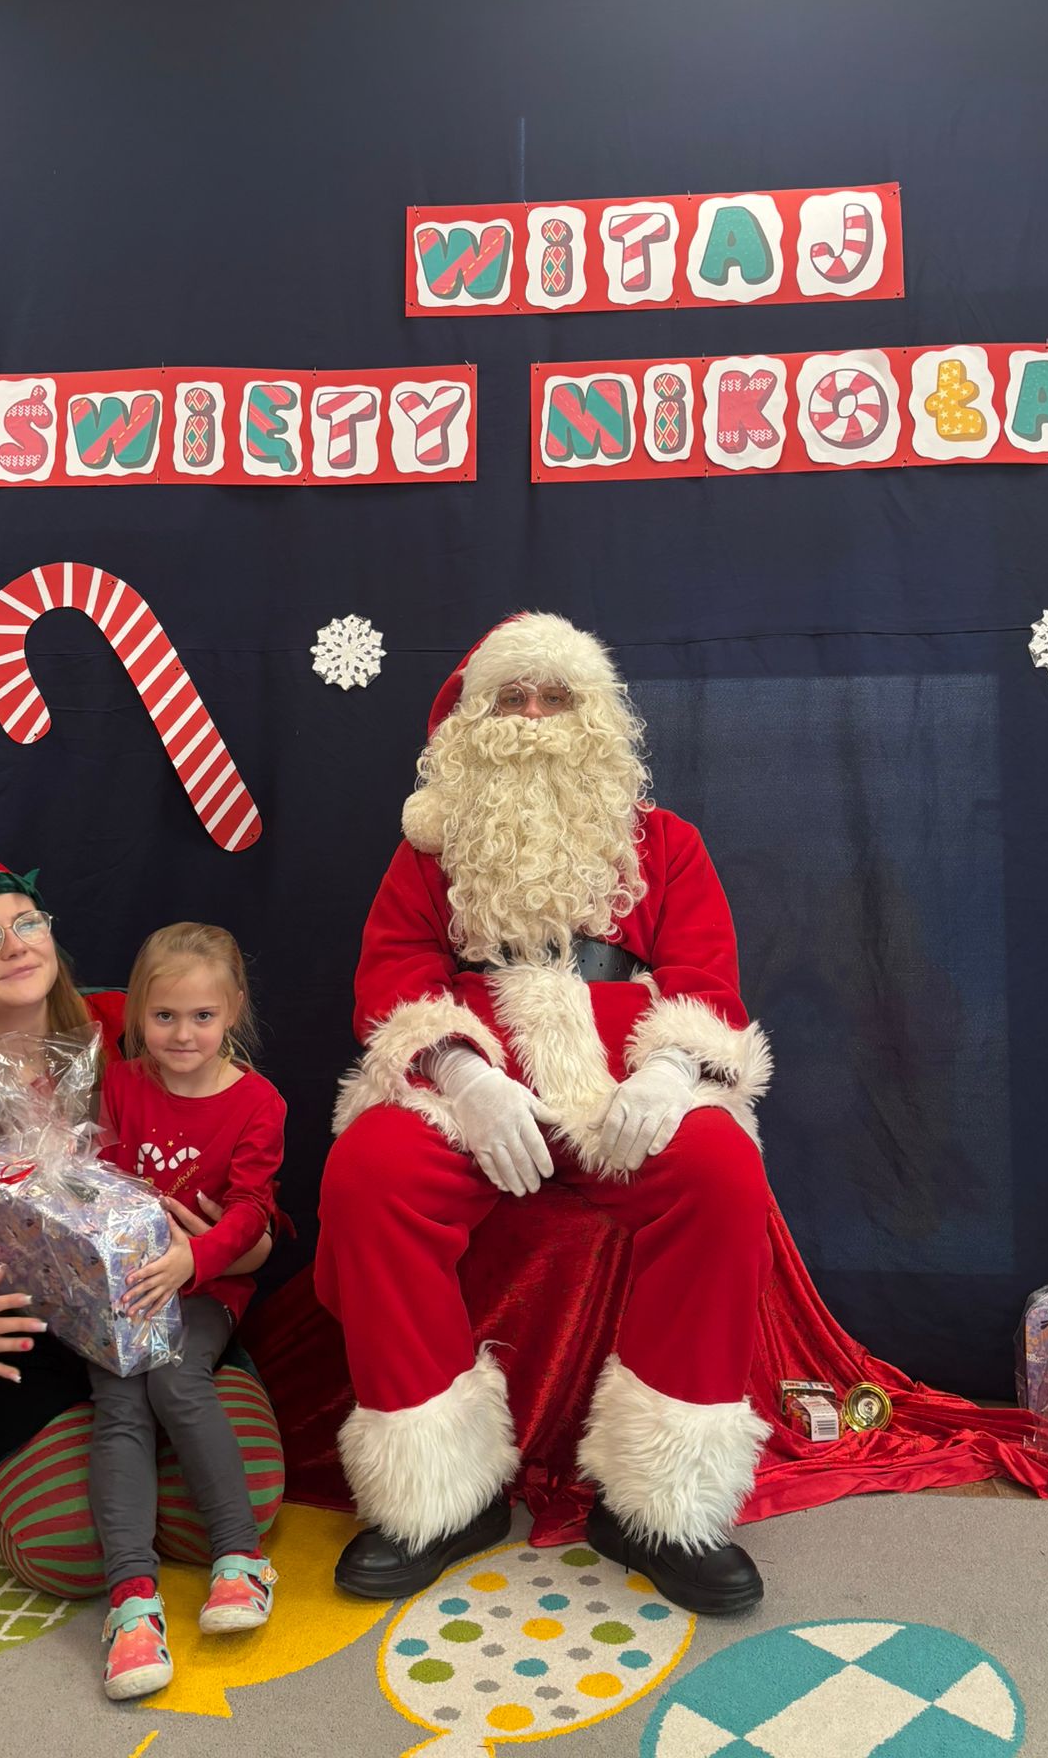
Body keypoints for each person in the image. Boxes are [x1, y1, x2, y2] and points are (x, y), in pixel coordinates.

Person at [316, 613, 775, 1616]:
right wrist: (460, 1074)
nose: (531, 716)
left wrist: (670, 1071)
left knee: (721, 1171)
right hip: (478, 1090)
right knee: (369, 1173)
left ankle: (660, 1507)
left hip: (623, 1086)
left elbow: (706, 979)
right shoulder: (430, 852)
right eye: (510, 697)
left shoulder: (667, 843)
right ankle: (440, 1500)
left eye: (554, 696)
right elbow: (391, 979)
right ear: (472, 722)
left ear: (594, 713)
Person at [0, 855, 284, 1611]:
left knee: (243, 1496)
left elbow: (248, 1192)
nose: (15, 944)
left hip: (159, 1316)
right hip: (24, 1364)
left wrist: (239, 1246)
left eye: (27, 922)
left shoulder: (136, 1038)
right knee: (74, 1549)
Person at [91, 923, 286, 1700]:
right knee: (119, 1398)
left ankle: (240, 1559)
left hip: (207, 1291)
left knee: (174, 1380)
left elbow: (251, 1210)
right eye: (164, 1015)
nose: (183, 1034)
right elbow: (99, 1178)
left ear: (232, 1011)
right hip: (125, 1289)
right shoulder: (119, 1085)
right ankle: (131, 1602)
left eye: (202, 1016)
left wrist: (192, 1261)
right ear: (138, 1013)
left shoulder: (259, 1101)